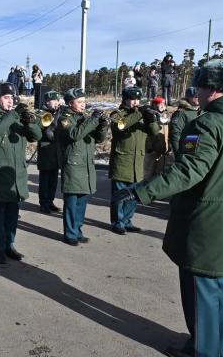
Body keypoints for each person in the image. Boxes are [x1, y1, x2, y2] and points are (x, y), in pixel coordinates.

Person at [113, 59, 223, 357]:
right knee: (218, 287)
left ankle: (202, 350)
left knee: (200, 288)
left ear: (215, 89)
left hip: (205, 218)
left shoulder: (207, 124)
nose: (198, 91)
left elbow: (188, 170)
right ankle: (217, 346)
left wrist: (142, 191)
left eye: (203, 85)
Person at [0, 83, 41, 263]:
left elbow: (36, 136)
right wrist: (14, 113)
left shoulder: (15, 116)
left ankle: (9, 244)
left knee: (12, 215)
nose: (11, 101)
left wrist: (30, 122)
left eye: (13, 98)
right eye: (7, 98)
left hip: (16, 175)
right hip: (0, 174)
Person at [57, 89, 108, 245]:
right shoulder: (64, 119)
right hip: (73, 166)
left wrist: (102, 125)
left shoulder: (85, 119)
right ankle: (70, 234)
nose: (83, 104)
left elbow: (99, 138)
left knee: (81, 203)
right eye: (79, 102)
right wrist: (93, 120)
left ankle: (77, 230)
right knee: (72, 203)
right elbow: (75, 134)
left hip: (86, 165)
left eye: (84, 101)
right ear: (70, 103)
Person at [108, 86, 160, 235]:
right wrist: (140, 113)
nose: (135, 102)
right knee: (120, 194)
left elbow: (155, 132)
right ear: (125, 100)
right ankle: (118, 222)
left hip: (137, 161)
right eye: (132, 99)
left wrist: (150, 119)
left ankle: (127, 220)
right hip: (122, 160)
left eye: (138, 99)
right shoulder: (117, 114)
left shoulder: (140, 115)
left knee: (134, 194)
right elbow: (120, 126)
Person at [37, 90, 62, 214]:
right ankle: (43, 203)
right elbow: (48, 132)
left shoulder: (58, 112)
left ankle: (50, 201)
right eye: (54, 101)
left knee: (53, 179)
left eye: (58, 100)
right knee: (45, 179)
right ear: (47, 102)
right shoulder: (42, 113)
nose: (57, 103)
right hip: (46, 150)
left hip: (56, 150)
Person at [143, 97, 172, 179]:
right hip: (152, 150)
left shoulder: (166, 116)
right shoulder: (150, 115)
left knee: (159, 174)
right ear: (154, 105)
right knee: (148, 173)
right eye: (160, 104)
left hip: (164, 150)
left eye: (164, 104)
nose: (162, 106)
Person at [169, 87, 201, 156]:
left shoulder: (202, 111)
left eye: (199, 96)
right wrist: (177, 153)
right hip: (187, 148)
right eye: (195, 96)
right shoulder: (181, 113)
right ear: (188, 97)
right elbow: (175, 133)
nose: (198, 98)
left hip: (200, 150)